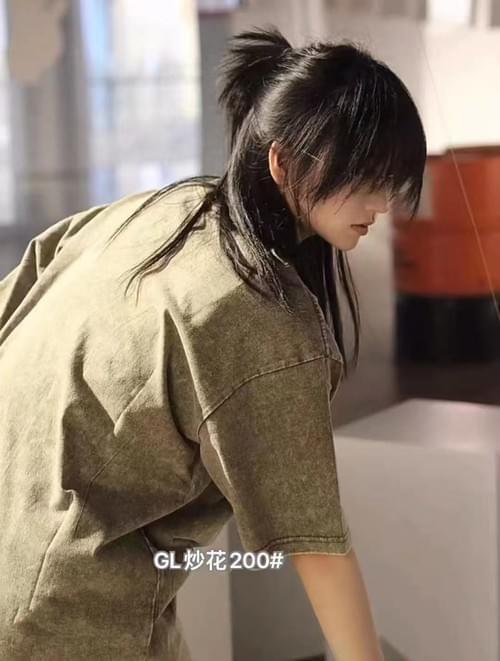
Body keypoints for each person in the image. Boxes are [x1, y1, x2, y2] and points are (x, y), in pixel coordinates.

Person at [0, 24, 426, 661]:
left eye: (390, 180)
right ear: (283, 162)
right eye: (365, 177)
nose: (383, 203)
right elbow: (316, 545)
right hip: (63, 617)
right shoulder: (256, 313)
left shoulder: (151, 213)